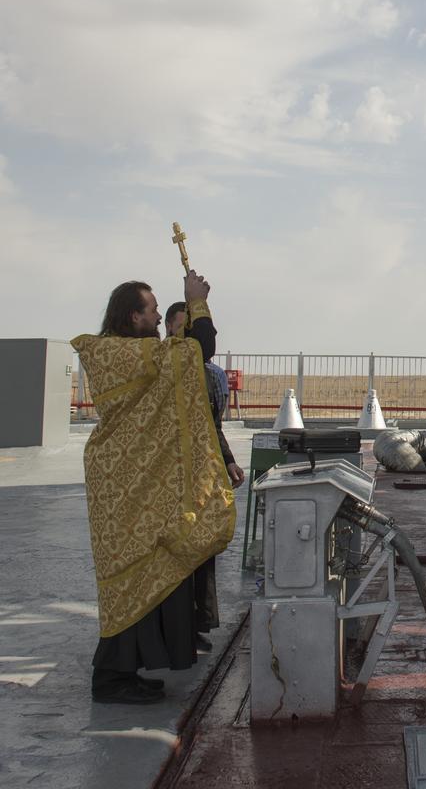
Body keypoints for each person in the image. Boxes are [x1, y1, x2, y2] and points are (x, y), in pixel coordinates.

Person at [73, 273, 235, 704]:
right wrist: (196, 303)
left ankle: (124, 671)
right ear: (134, 315)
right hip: (122, 484)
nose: (159, 318)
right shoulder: (117, 352)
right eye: (153, 310)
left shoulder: (130, 351)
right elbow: (195, 352)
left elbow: (186, 357)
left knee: (148, 575)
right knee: (128, 579)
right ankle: (109, 678)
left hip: (134, 482)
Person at [164, 302, 245, 649]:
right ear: (169, 328)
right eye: (182, 331)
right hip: (168, 483)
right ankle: (173, 631)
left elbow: (212, 425)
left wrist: (227, 461)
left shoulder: (209, 375)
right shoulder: (162, 367)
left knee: (201, 550)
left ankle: (195, 623)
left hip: (200, 479)